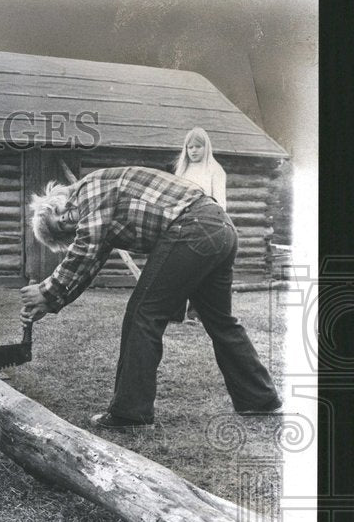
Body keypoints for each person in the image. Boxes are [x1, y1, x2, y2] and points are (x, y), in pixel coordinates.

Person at [20, 166, 282, 430]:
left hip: (192, 226)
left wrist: (46, 290)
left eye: (61, 216)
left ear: (55, 203)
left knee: (143, 314)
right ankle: (259, 399)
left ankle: (130, 414)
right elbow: (89, 263)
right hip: (220, 227)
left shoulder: (90, 190)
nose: (67, 219)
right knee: (220, 321)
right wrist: (52, 301)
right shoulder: (96, 215)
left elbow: (85, 249)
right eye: (64, 227)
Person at [173, 127, 228, 323]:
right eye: (190, 147)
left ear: (206, 147)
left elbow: (220, 201)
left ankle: (195, 313)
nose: (194, 151)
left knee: (200, 269)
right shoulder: (183, 170)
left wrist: (215, 223)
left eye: (198, 146)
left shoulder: (214, 170)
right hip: (183, 221)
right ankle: (175, 312)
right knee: (178, 267)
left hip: (205, 222)